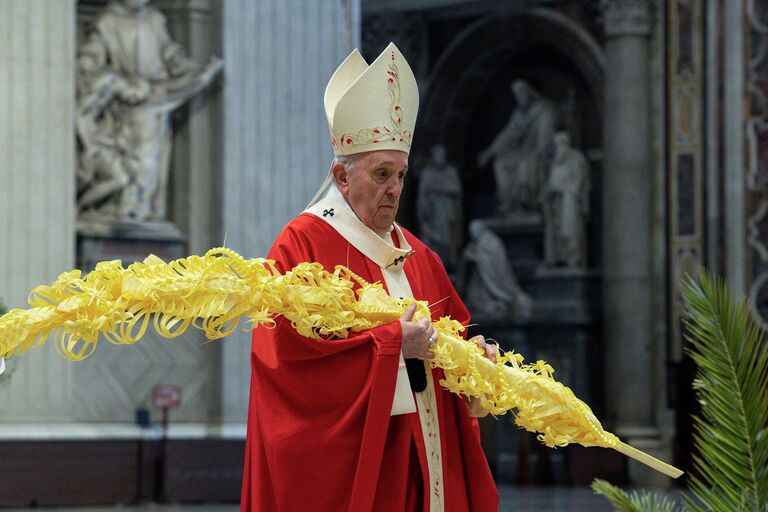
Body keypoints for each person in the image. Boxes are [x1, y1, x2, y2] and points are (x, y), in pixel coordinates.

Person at [241, 43, 499, 511]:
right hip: (360, 469)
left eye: (401, 174)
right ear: (342, 176)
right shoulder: (300, 246)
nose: (395, 189)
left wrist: (474, 363)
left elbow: (453, 342)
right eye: (381, 174)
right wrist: (392, 346)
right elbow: (287, 366)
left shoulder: (420, 257)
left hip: (425, 463)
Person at [477, 79, 557, 215]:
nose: (519, 99)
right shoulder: (519, 115)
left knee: (525, 163)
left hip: (540, 152)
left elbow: (546, 139)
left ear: (529, 93)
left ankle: (527, 201)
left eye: (521, 94)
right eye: (516, 96)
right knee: (500, 162)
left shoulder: (545, 110)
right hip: (524, 151)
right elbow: (507, 135)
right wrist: (489, 153)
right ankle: (508, 201)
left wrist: (540, 150)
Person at [541, 132, 590, 267]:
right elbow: (549, 182)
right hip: (555, 202)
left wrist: (562, 188)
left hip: (570, 200)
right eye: (555, 145)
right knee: (555, 232)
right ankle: (558, 257)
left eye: (558, 144)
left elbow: (578, 182)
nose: (557, 148)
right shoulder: (554, 162)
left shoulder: (576, 159)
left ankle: (573, 257)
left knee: (570, 230)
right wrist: (549, 191)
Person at [416, 144, 463, 272]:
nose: (440, 158)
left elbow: (455, 189)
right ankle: (430, 265)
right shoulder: (427, 173)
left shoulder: (450, 172)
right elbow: (422, 192)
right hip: (432, 211)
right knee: (430, 238)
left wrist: (438, 188)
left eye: (442, 155)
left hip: (446, 210)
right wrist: (423, 209)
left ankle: (445, 265)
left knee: (446, 239)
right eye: (438, 155)